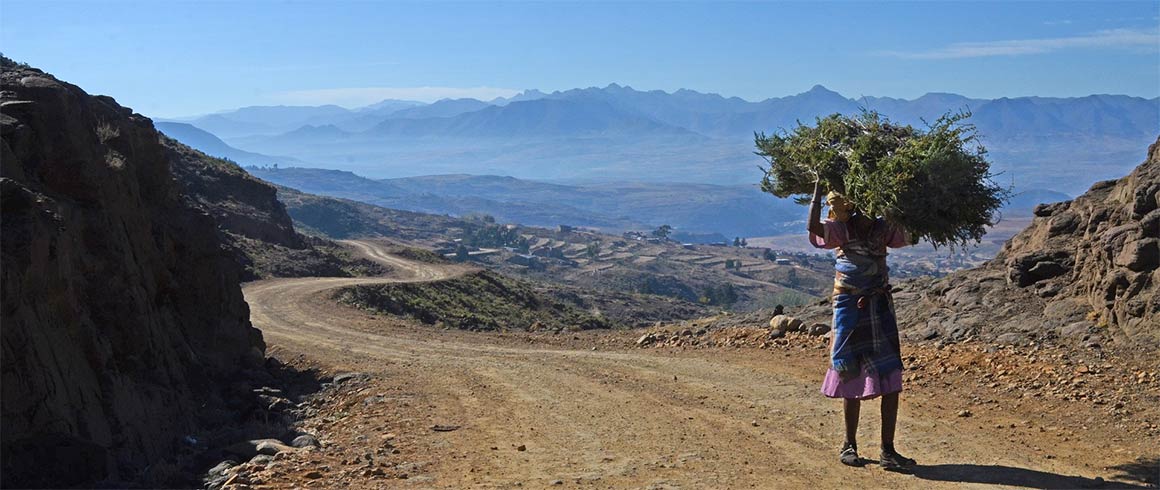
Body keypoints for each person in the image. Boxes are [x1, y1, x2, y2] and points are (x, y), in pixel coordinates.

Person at [806, 179, 917, 472]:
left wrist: (916, 203)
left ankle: (888, 450)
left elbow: (911, 233)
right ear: (854, 206)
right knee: (848, 371)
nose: (869, 211)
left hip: (879, 304)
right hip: (849, 305)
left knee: (891, 372)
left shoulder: (884, 228)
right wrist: (817, 193)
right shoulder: (843, 228)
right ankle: (849, 444)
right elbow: (815, 229)